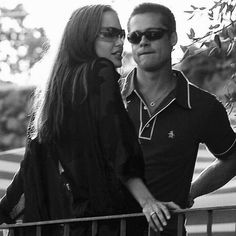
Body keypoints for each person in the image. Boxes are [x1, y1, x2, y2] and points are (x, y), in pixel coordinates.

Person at [0, 4, 181, 236]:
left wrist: (4, 209)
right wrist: (148, 202)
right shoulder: (100, 71)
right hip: (106, 223)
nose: (119, 43)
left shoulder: (53, 94)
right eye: (108, 34)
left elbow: (30, 166)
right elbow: (116, 142)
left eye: (121, 34)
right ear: (84, 37)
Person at [120, 2, 236, 235]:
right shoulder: (109, 100)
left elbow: (232, 158)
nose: (143, 41)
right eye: (134, 36)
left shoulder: (203, 106)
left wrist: (189, 193)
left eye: (153, 34)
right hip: (101, 229)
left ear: (173, 38)